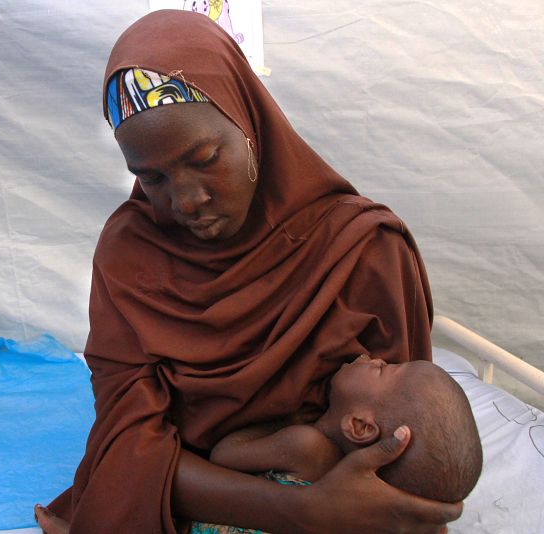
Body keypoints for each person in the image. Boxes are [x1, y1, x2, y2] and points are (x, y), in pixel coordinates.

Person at [36, 9, 463, 533]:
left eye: (207, 157)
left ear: (250, 125)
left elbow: (402, 439)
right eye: (152, 179)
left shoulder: (364, 249)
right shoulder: (131, 257)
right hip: (203, 502)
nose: (187, 200)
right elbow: (126, 444)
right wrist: (300, 511)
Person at [190, 356, 483, 533]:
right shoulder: (371, 517)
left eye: (384, 369)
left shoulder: (305, 446)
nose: (376, 358)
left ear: (360, 426)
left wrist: (283, 419)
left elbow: (222, 454)